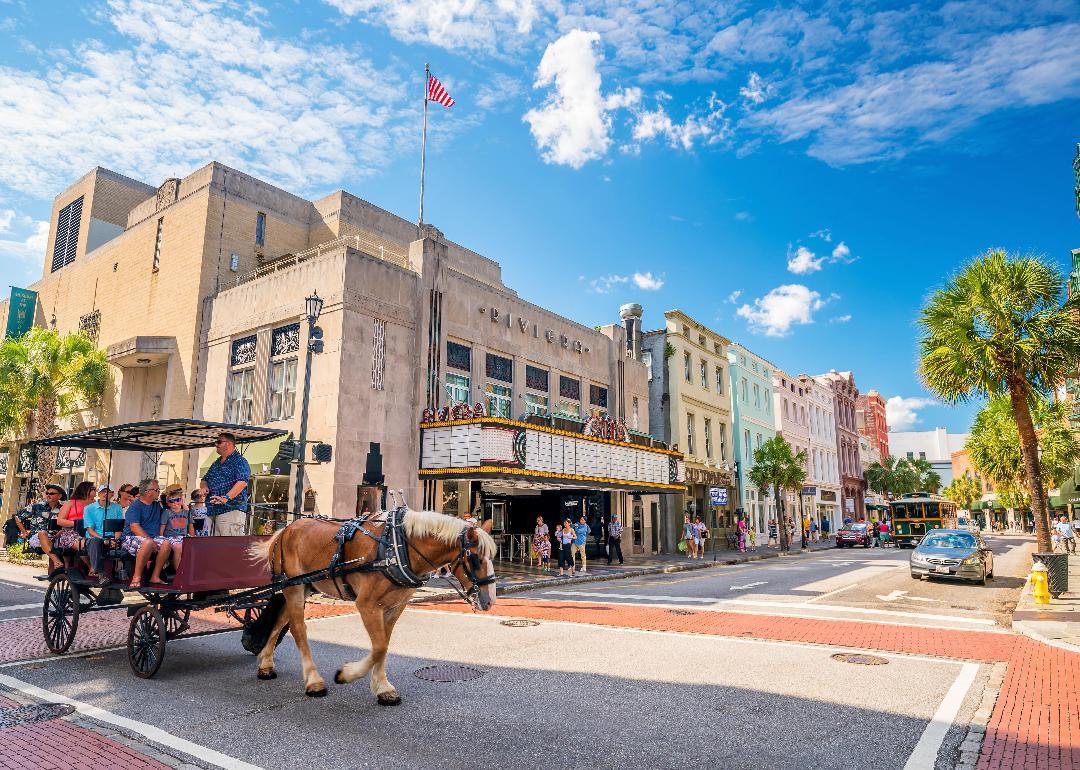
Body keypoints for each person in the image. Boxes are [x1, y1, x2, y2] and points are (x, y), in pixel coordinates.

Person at [123, 478, 171, 588]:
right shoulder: (135, 506)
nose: (159, 492)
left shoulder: (156, 506)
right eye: (157, 490)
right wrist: (151, 541)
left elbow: (168, 516)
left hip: (151, 537)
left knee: (166, 543)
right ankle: (136, 577)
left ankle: (155, 576)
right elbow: (135, 527)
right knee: (148, 543)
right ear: (147, 491)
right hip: (132, 537)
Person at [200, 432, 251, 535]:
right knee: (212, 547)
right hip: (212, 511)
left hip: (230, 511)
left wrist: (226, 498)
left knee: (227, 547)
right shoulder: (216, 463)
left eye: (219, 442)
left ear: (228, 444)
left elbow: (242, 482)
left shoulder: (239, 461)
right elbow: (204, 479)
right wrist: (204, 487)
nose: (216, 444)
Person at [16, 484, 65, 569]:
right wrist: (24, 532)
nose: (48, 495)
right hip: (37, 538)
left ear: (59, 496)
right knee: (42, 533)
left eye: (52, 493)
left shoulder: (64, 508)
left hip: (56, 538)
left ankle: (65, 570)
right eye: (47, 493)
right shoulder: (37, 506)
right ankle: (57, 562)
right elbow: (18, 517)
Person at [83, 484, 124, 585]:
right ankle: (101, 574)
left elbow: (119, 528)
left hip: (112, 538)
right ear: (98, 493)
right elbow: (90, 530)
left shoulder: (117, 508)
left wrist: (115, 539)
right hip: (95, 538)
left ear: (112, 494)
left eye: (108, 492)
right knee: (95, 541)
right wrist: (103, 539)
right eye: (102, 491)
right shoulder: (89, 509)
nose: (105, 494)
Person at [160, 484, 196, 568]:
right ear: (168, 503)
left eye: (177, 500)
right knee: (178, 547)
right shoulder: (167, 512)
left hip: (184, 536)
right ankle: (179, 573)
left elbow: (191, 527)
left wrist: (193, 538)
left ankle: (191, 570)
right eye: (172, 501)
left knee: (194, 547)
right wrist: (161, 538)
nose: (175, 502)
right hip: (171, 537)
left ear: (182, 499)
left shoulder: (187, 513)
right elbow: (162, 526)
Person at [55, 481, 95, 555]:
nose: (96, 490)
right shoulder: (70, 503)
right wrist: (77, 523)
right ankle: (92, 566)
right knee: (85, 546)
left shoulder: (95, 504)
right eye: (93, 488)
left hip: (90, 531)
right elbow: (60, 521)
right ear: (85, 490)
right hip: (71, 532)